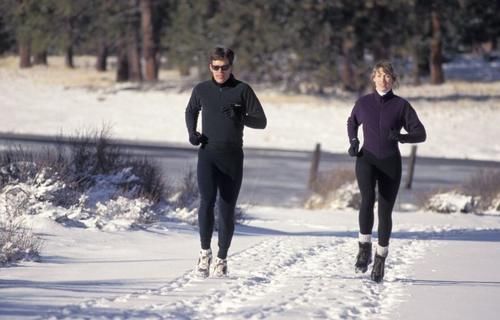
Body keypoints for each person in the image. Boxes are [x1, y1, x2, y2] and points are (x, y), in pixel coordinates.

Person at [185, 47, 267, 278]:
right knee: (206, 202)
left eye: (225, 67)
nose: (220, 71)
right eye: (216, 67)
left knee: (227, 209)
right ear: (210, 67)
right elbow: (191, 110)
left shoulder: (242, 90)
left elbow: (261, 121)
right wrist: (192, 133)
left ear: (231, 67)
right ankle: (204, 254)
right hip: (208, 154)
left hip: (232, 156)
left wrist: (240, 116)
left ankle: (221, 259)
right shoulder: (201, 89)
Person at [346, 61, 426, 282]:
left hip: (390, 162)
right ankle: (364, 248)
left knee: (385, 211)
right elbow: (351, 122)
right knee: (367, 199)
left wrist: (401, 137)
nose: (383, 79)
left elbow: (420, 133)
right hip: (366, 159)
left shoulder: (401, 106)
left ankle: (380, 259)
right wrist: (354, 142)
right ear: (373, 78)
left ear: (393, 80)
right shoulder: (363, 103)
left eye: (388, 76)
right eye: (379, 75)